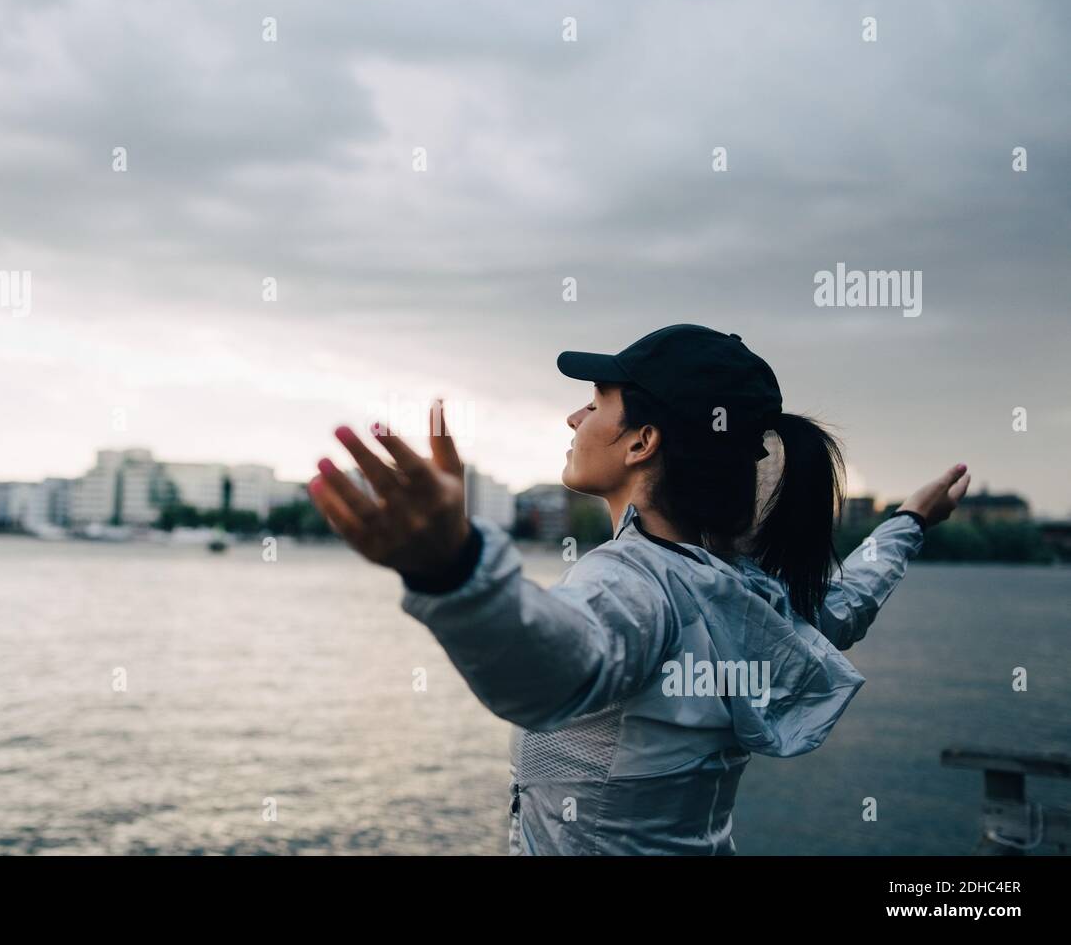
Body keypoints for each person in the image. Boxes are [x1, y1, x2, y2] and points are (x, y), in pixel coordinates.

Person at [307, 323, 970, 855]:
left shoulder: (632, 585)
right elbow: (838, 610)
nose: (574, 417)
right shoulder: (740, 589)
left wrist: (451, 570)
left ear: (642, 442)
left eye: (596, 403)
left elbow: (550, 672)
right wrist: (908, 522)